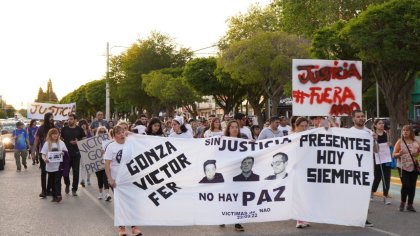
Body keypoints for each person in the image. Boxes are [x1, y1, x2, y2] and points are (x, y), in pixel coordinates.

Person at [104, 125, 142, 236]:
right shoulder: (111, 147)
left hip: (129, 178)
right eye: (119, 133)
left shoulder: (130, 144)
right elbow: (107, 164)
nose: (122, 134)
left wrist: (129, 133)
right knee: (121, 204)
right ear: (114, 136)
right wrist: (110, 179)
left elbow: (141, 139)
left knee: (132, 202)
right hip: (117, 181)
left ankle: (134, 227)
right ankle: (122, 228)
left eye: (123, 132)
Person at [349, 109, 377, 227]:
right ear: (353, 119)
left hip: (365, 169)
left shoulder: (369, 133)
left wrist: (375, 140)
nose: (361, 118)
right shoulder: (348, 132)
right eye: (358, 117)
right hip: (351, 168)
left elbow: (376, 151)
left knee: (364, 194)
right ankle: (350, 216)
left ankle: (362, 217)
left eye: (362, 116)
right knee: (352, 194)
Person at [223, 119, 245, 232]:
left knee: (238, 198)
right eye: (232, 127)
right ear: (228, 129)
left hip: (239, 175)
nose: (235, 129)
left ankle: (237, 222)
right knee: (227, 197)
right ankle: (222, 216)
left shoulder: (243, 141)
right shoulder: (222, 142)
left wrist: (253, 144)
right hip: (227, 174)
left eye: (236, 127)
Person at [392, 125, 419, 212]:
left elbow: (418, 152)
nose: (405, 132)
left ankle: (410, 205)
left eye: (407, 130)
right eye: (403, 130)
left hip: (413, 167)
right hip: (402, 167)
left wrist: (416, 154)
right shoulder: (400, 142)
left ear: (411, 132)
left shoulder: (416, 141)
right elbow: (394, 155)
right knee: (406, 185)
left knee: (412, 186)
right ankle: (402, 203)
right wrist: (399, 154)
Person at [60, 114, 86, 196]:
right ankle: (67, 184)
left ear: (75, 120)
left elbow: (84, 139)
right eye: (68, 119)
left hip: (76, 154)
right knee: (66, 171)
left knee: (76, 171)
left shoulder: (79, 129)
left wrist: (77, 142)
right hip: (66, 154)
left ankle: (74, 189)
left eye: (71, 119)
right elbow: (60, 139)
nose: (69, 121)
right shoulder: (64, 129)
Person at [40, 128, 68, 203]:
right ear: (50, 135)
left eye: (56, 134)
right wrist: (45, 159)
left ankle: (58, 195)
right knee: (52, 182)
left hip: (59, 166)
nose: (55, 135)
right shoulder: (47, 143)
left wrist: (63, 153)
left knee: (57, 181)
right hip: (50, 167)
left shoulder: (61, 142)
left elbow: (66, 152)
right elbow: (43, 154)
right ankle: (54, 196)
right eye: (53, 134)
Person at [292, 116, 310, 229]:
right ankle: (299, 219)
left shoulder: (309, 136)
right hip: (295, 169)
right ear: (296, 126)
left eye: (305, 126)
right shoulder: (291, 137)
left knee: (306, 194)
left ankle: (305, 217)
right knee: (298, 194)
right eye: (301, 126)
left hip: (307, 169)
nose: (304, 128)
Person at [32, 112, 55, 198]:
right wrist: (33, 152)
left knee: (51, 172)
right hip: (43, 153)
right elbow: (36, 141)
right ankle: (43, 191)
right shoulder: (41, 128)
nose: (52, 118)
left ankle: (49, 189)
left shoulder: (54, 128)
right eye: (50, 117)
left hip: (53, 153)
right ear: (47, 118)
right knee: (44, 172)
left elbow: (59, 139)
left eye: (52, 117)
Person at [371, 119, 392, 205]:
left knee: (386, 178)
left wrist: (389, 143)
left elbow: (389, 144)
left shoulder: (386, 134)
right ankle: (372, 193)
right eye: (379, 123)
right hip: (377, 159)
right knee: (377, 177)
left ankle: (385, 197)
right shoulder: (373, 135)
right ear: (375, 125)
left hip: (386, 159)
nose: (382, 125)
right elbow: (372, 148)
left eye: (382, 123)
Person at [95, 126, 112, 201]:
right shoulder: (93, 142)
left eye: (104, 132)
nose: (102, 133)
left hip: (106, 162)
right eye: (100, 132)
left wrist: (105, 151)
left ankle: (107, 194)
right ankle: (100, 193)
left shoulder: (110, 142)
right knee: (99, 178)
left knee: (106, 177)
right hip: (97, 163)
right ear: (98, 133)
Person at [79, 119, 92, 187]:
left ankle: (88, 179)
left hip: (89, 151)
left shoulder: (89, 132)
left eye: (84, 124)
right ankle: (82, 180)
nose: (83, 125)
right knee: (82, 166)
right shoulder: (78, 132)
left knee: (89, 166)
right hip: (81, 151)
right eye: (82, 124)